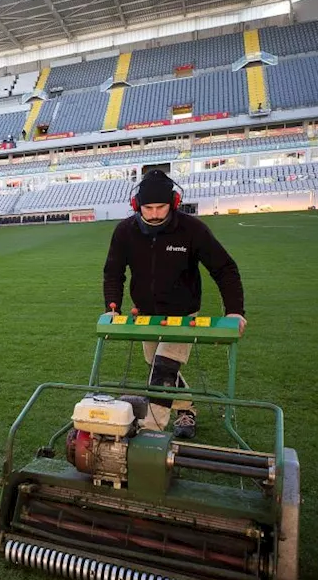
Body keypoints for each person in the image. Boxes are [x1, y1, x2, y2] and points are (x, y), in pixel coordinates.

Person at [102, 170, 246, 439]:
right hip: (147, 314)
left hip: (183, 313)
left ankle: (150, 434)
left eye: (161, 207)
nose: (154, 214)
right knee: (157, 365)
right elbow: (113, 272)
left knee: (164, 367)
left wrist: (235, 311)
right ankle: (187, 407)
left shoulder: (192, 230)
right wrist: (112, 307)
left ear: (174, 203)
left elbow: (225, 269)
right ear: (136, 206)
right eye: (148, 208)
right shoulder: (124, 231)